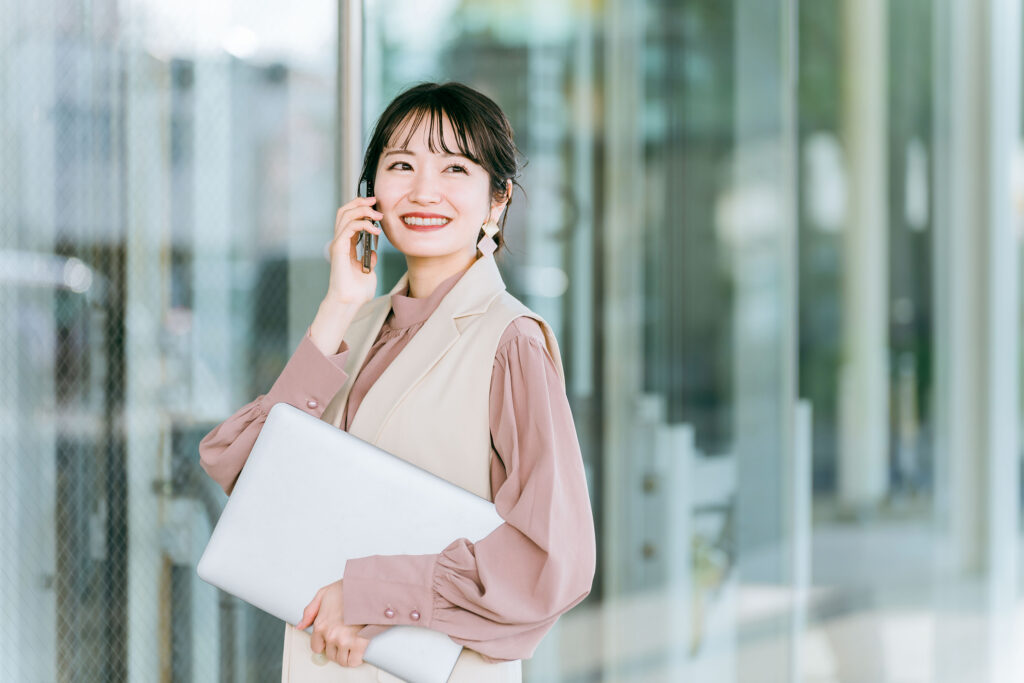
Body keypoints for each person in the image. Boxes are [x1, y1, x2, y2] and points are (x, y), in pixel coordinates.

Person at [198, 81, 596, 682]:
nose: (423, 191)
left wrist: (376, 592)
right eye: (401, 165)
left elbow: (555, 556)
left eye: (455, 168)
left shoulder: (511, 341)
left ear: (498, 200)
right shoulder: (356, 325)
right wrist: (337, 306)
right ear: (371, 194)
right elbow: (240, 468)